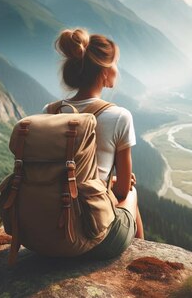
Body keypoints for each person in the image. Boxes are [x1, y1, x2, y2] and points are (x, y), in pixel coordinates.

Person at [42, 28, 144, 259]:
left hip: (50, 231)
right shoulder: (119, 117)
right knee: (132, 192)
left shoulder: (50, 111)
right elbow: (120, 191)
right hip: (93, 238)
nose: (117, 68)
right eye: (116, 63)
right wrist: (117, 182)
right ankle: (139, 257)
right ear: (104, 71)